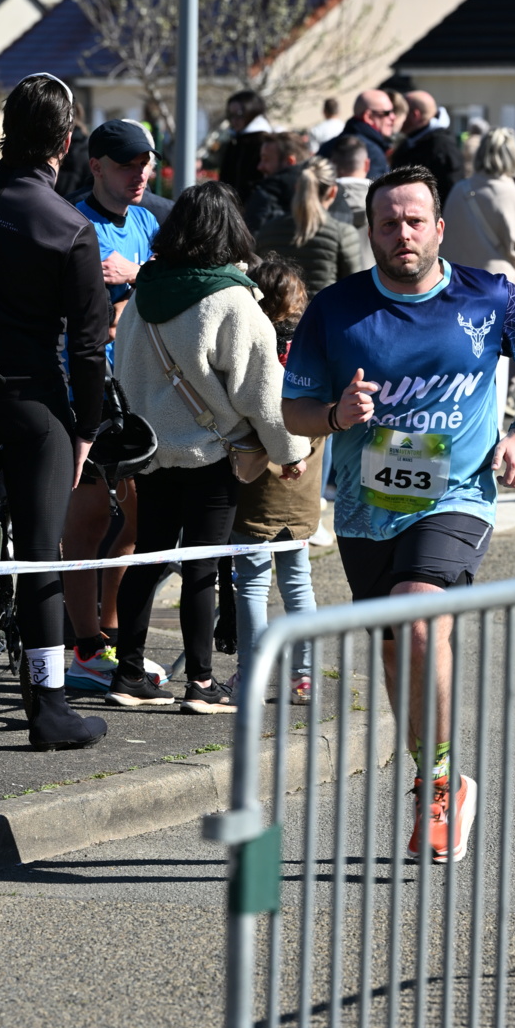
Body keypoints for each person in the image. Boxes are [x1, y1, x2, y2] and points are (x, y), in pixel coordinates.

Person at [280, 165, 515, 863]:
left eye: (413, 221)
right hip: (366, 508)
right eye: (388, 223)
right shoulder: (335, 308)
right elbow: (294, 410)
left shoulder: (488, 294)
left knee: (415, 618)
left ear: (438, 227)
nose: (401, 233)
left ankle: (437, 784)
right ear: (370, 231)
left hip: (456, 494)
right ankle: (433, 776)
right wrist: (334, 415)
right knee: (395, 647)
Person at [106, 181, 310, 712]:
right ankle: (200, 682)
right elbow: (260, 390)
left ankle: (128, 673)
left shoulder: (144, 291)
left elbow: (124, 370)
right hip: (211, 452)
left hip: (151, 451)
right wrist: (290, 451)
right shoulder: (232, 299)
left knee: (149, 557)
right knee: (202, 563)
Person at [0, 72, 108, 751]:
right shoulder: (70, 228)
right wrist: (87, 430)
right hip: (32, 403)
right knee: (40, 554)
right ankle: (49, 707)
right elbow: (88, 350)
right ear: (65, 143)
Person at [63, 119, 163, 692]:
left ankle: (112, 633)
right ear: (96, 166)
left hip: (138, 393)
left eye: (145, 164)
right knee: (88, 522)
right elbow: (91, 323)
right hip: (88, 395)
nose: (140, 175)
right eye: (127, 165)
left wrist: (137, 277)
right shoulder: (77, 223)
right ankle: (84, 645)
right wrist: (131, 306)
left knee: (133, 520)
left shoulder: (145, 221)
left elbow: (169, 286)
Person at [230, 254, 321, 704]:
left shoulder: (254, 347)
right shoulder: (316, 352)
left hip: (257, 485)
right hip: (302, 490)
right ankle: (304, 676)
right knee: (298, 582)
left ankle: (250, 675)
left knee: (251, 584)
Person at [441, 127, 515, 424]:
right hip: (499, 286)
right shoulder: (512, 194)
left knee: (458, 362)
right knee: (497, 362)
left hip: (458, 285)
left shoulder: (460, 190)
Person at [255, 156, 362, 298]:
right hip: (323, 311)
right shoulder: (343, 234)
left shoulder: (268, 230)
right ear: (333, 192)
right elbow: (356, 289)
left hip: (277, 311)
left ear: (297, 187)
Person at [389, 91, 464, 205]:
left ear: (415, 115)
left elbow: (450, 190)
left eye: (401, 111)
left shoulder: (441, 145)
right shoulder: (412, 141)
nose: (394, 116)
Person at [242, 131, 311, 235]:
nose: (260, 167)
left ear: (290, 162)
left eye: (266, 159)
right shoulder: (323, 196)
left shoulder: (265, 197)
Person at [318, 89, 395, 179]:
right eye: (387, 113)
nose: (393, 117)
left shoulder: (326, 147)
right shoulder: (373, 152)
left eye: (393, 111)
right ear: (368, 116)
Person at [219, 90, 273, 205]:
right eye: (230, 115)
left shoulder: (263, 141)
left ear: (252, 113)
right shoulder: (235, 139)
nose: (234, 120)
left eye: (239, 115)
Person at [330, 135, 375, 268]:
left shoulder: (319, 201)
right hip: (373, 277)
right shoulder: (385, 200)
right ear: (367, 164)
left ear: (332, 164)